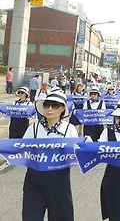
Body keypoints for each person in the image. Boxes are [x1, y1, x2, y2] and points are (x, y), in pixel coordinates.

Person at [22, 91, 78, 221]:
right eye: (47, 105)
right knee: (31, 216)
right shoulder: (34, 128)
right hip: (33, 180)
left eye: (55, 105)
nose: (50, 109)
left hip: (59, 181)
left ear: (63, 108)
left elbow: (76, 152)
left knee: (61, 217)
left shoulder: (69, 129)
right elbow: (22, 148)